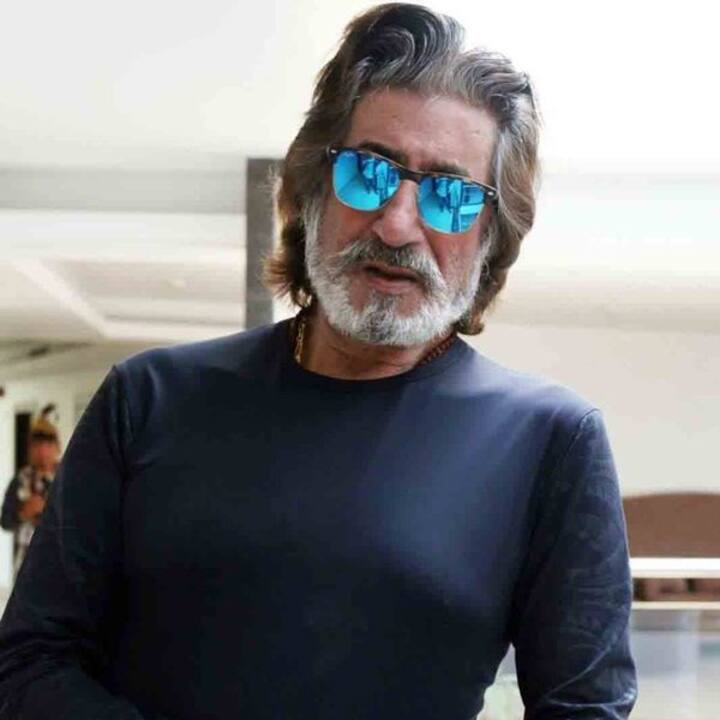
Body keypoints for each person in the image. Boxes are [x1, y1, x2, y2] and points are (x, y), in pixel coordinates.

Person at [0, 4, 638, 719]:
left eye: (450, 194)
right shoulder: (148, 398)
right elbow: (30, 662)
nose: (397, 224)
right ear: (310, 190)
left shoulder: (551, 442)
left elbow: (584, 707)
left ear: (490, 235)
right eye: (369, 171)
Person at [0, 405, 60, 581]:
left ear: (57, 447)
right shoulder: (20, 480)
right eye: (37, 445)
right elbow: (5, 521)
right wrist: (23, 513)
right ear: (30, 449)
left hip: (59, 564)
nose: (42, 451)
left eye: (48, 445)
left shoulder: (67, 479)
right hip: (26, 566)